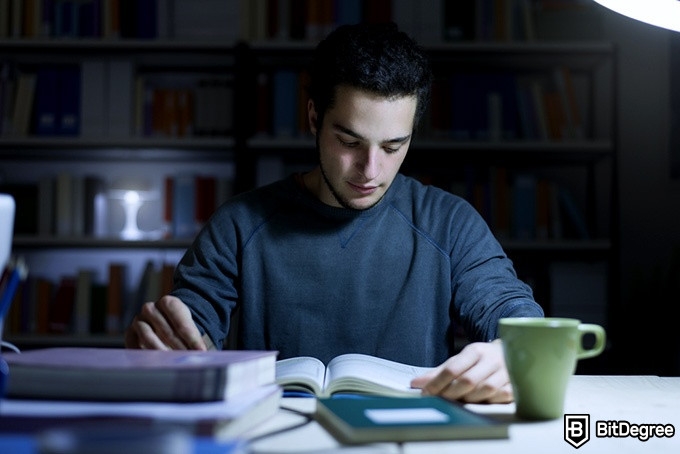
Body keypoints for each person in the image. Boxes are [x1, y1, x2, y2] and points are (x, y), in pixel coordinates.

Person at [125, 22, 544, 404]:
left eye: (394, 147)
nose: (371, 170)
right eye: (349, 142)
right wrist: (167, 344)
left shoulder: (450, 223)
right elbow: (190, 324)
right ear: (313, 118)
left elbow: (512, 309)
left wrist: (513, 352)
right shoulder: (239, 224)